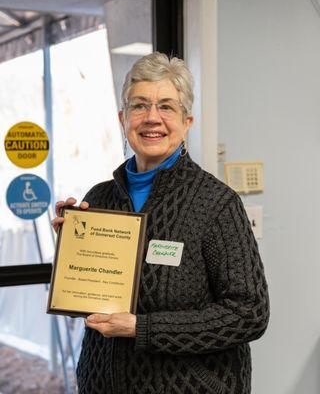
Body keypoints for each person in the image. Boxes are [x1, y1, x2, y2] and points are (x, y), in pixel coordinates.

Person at [52, 52, 269, 394]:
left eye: (166, 106)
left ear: (187, 122)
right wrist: (71, 254)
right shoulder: (101, 197)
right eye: (140, 106)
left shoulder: (216, 204)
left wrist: (144, 328)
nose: (152, 118)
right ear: (123, 118)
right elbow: (93, 305)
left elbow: (249, 313)